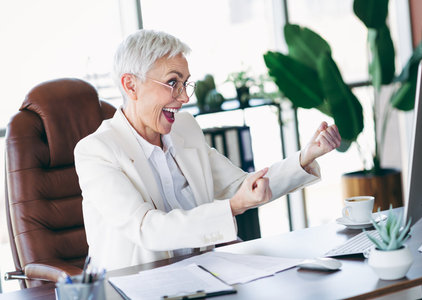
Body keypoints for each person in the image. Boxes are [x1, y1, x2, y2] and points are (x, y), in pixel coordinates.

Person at [74, 29, 341, 271]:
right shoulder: (96, 151)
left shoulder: (185, 128)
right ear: (130, 85)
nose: (185, 97)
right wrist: (233, 208)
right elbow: (147, 228)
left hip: (202, 274)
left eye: (185, 83)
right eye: (172, 83)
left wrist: (306, 156)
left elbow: (241, 186)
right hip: (137, 286)